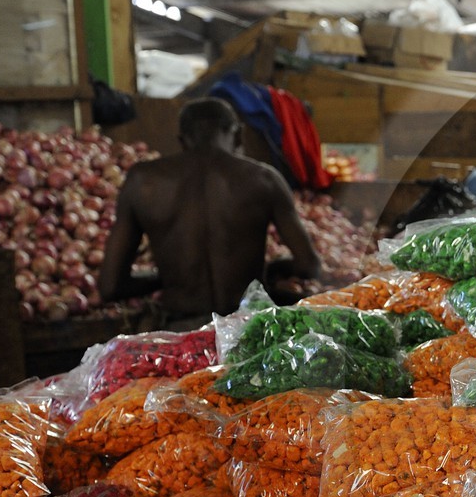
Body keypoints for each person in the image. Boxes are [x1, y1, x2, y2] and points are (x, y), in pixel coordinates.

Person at [98, 98, 322, 327]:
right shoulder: (264, 179)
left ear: (183, 141)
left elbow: (111, 286)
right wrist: (273, 269)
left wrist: (167, 278)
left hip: (180, 332)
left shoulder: (142, 182)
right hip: (247, 328)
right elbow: (308, 266)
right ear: (238, 135)